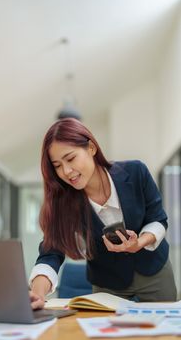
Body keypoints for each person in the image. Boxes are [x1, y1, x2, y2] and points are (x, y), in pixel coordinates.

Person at [29, 117, 177, 307]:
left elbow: (158, 219)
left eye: (71, 158)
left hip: (154, 271)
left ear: (91, 148)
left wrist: (140, 242)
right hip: (108, 283)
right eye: (57, 166)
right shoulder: (63, 201)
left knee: (165, 332)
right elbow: (51, 251)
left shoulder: (136, 172)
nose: (66, 171)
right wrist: (38, 294)